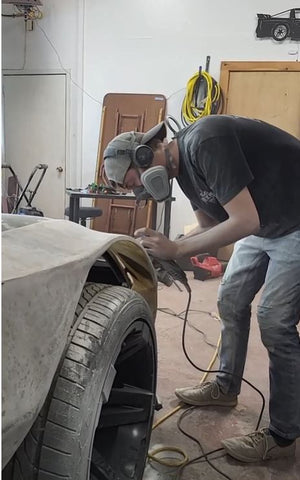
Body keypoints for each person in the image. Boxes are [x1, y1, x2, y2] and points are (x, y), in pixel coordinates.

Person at [103, 114, 300, 463]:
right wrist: (166, 249)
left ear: (146, 157)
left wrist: (177, 250)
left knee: (273, 319)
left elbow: (244, 220)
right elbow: (212, 228)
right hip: (264, 223)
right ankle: (225, 387)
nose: (140, 192)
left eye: (134, 183)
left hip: (294, 221)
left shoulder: (206, 142)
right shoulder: (182, 174)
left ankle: (283, 435)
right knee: (230, 299)